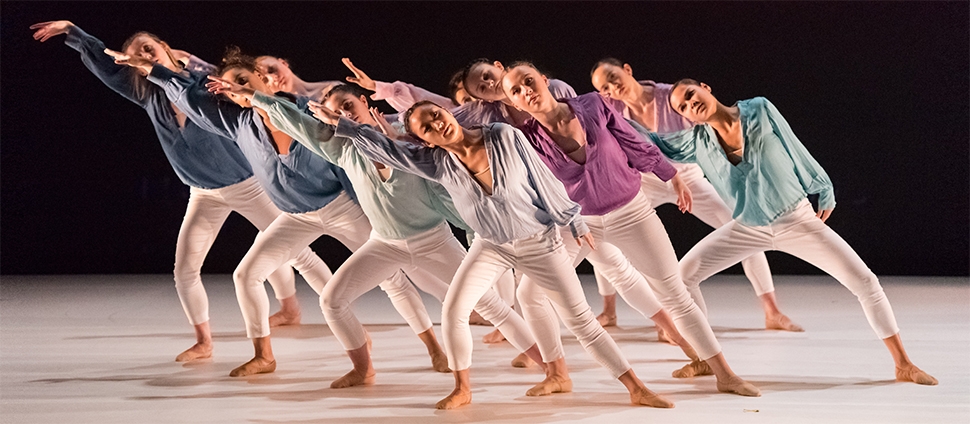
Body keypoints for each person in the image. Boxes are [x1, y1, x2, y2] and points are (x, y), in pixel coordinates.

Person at [315, 99, 677, 409]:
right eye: (425, 127)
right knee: (454, 311)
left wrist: (573, 219)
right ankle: (463, 388)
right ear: (422, 139)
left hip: (540, 243)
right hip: (491, 247)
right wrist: (345, 126)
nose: (436, 124)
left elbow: (544, 179)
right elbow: (390, 150)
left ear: (448, 112)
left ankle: (636, 388)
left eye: (435, 115)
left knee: (580, 320)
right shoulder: (437, 163)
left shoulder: (504, 136)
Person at [109, 46, 439, 377]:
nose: (236, 87)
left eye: (242, 79)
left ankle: (434, 349)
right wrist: (152, 70)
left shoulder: (308, 112)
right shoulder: (239, 124)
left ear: (265, 80)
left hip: (340, 206)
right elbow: (189, 96)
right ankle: (264, 356)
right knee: (246, 275)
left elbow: (356, 145)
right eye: (229, 85)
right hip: (296, 216)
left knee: (391, 277)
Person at [206, 78, 546, 388]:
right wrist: (256, 97)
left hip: (433, 240)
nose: (344, 115)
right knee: (332, 300)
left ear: (366, 106)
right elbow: (299, 125)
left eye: (349, 107)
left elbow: (453, 153)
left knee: (490, 305)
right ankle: (363, 369)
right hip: (384, 243)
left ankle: (550, 367)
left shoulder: (409, 134)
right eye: (337, 111)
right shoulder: (343, 148)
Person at [30, 20, 315, 363]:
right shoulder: (148, 94)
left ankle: (305, 308)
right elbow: (107, 64)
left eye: (149, 48)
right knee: (184, 270)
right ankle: (204, 342)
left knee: (293, 251)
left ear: (167, 49)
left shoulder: (201, 85)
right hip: (203, 194)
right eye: (138, 55)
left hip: (246, 185)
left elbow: (249, 91)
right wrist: (73, 33)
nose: (145, 56)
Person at [645, 78, 937, 386]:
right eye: (683, 107)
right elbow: (651, 141)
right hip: (748, 226)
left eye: (691, 95)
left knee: (865, 282)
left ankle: (903, 363)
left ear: (705, 87)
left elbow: (793, 146)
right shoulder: (696, 141)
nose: (691, 105)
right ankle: (705, 359)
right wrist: (609, 123)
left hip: (795, 219)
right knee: (683, 276)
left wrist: (823, 186)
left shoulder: (758, 109)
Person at [503, 62, 762, 397]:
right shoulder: (526, 140)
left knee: (674, 293)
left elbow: (633, 142)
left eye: (528, 81)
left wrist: (670, 174)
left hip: (630, 212)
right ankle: (556, 374)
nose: (526, 91)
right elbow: (538, 188)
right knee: (529, 293)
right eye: (516, 91)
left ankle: (723, 373)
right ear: (514, 103)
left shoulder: (593, 105)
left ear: (543, 80)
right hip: (580, 224)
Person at [590, 58, 800, 332]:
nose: (611, 88)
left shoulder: (671, 96)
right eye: (603, 87)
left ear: (627, 69)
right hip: (647, 182)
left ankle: (772, 311)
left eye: (612, 77)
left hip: (688, 177)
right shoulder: (610, 108)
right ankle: (610, 311)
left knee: (744, 227)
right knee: (604, 235)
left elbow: (708, 127)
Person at [254, 55, 341, 102]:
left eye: (272, 69)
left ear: (283, 63)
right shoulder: (288, 113)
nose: (274, 78)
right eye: (265, 81)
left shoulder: (335, 87)